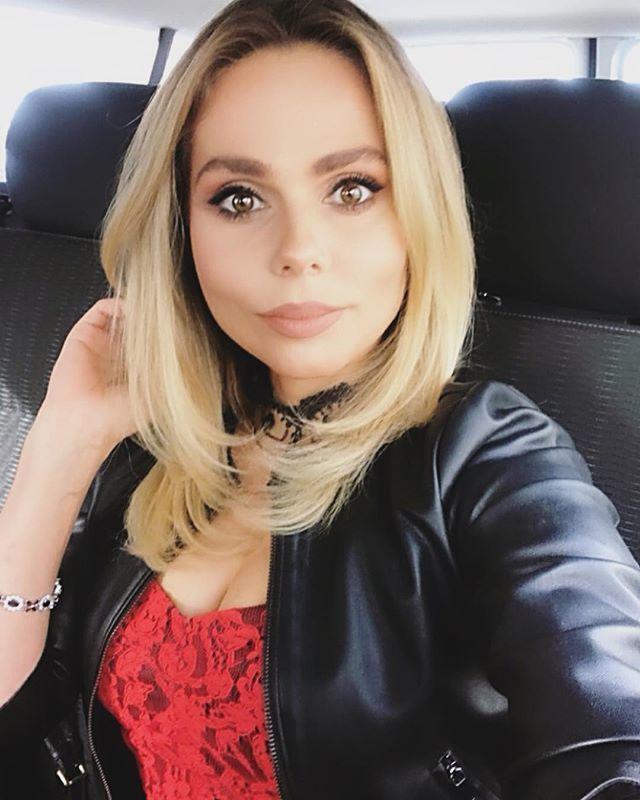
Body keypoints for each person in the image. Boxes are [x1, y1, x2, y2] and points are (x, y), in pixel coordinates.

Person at [1, 0, 640, 798]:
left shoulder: (489, 453)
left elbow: (611, 736)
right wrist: (62, 444)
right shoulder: (157, 438)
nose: (298, 251)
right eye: (239, 197)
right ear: (181, 231)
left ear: (420, 214)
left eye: (353, 188)